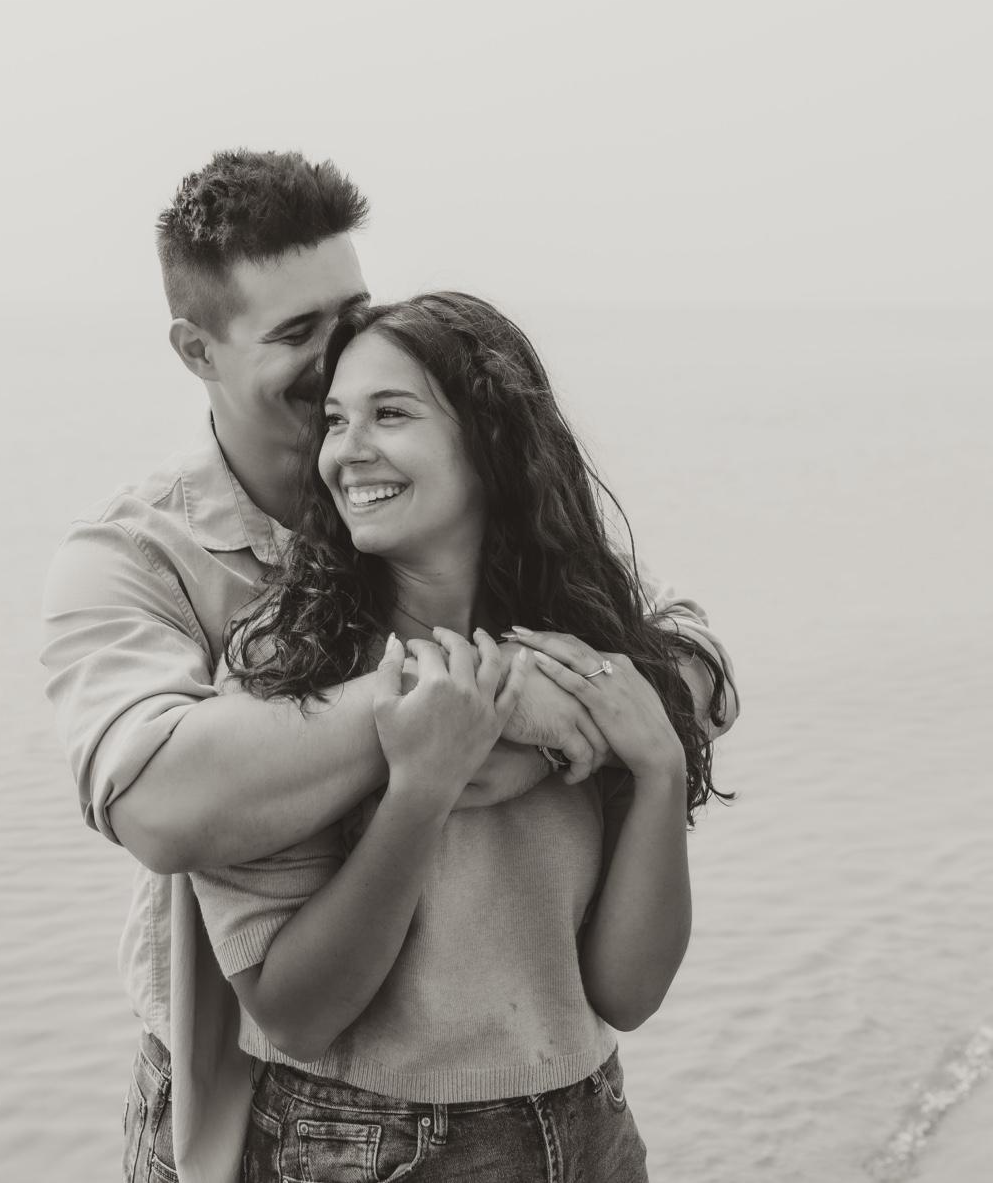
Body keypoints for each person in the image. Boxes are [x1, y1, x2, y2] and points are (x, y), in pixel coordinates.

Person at [39, 150, 737, 1183]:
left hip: (570, 1107)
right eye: (297, 335)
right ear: (197, 349)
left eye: (351, 315)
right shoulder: (143, 563)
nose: (337, 360)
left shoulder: (525, 577)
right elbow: (165, 807)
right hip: (279, 1102)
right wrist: (459, 717)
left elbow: (681, 655)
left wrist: (597, 720)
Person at [191, 291, 731, 1181]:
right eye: (336, 420)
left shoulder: (581, 640)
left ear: (490, 440)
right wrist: (420, 792)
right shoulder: (286, 664)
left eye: (390, 414)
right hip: (366, 1143)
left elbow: (628, 995)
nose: (348, 450)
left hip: (590, 1124)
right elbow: (293, 1014)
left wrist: (660, 764)